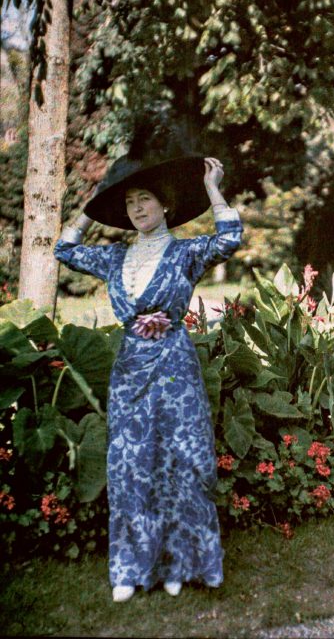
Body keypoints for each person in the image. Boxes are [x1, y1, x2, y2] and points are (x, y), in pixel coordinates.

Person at [54, 152, 243, 603]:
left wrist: (213, 189)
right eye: (130, 203)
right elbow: (64, 250)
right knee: (131, 464)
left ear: (166, 205)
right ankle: (130, 569)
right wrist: (90, 205)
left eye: (146, 200)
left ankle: (179, 564)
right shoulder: (114, 257)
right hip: (131, 370)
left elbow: (229, 239)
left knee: (182, 461)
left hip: (176, 367)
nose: (137, 209)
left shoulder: (184, 251)